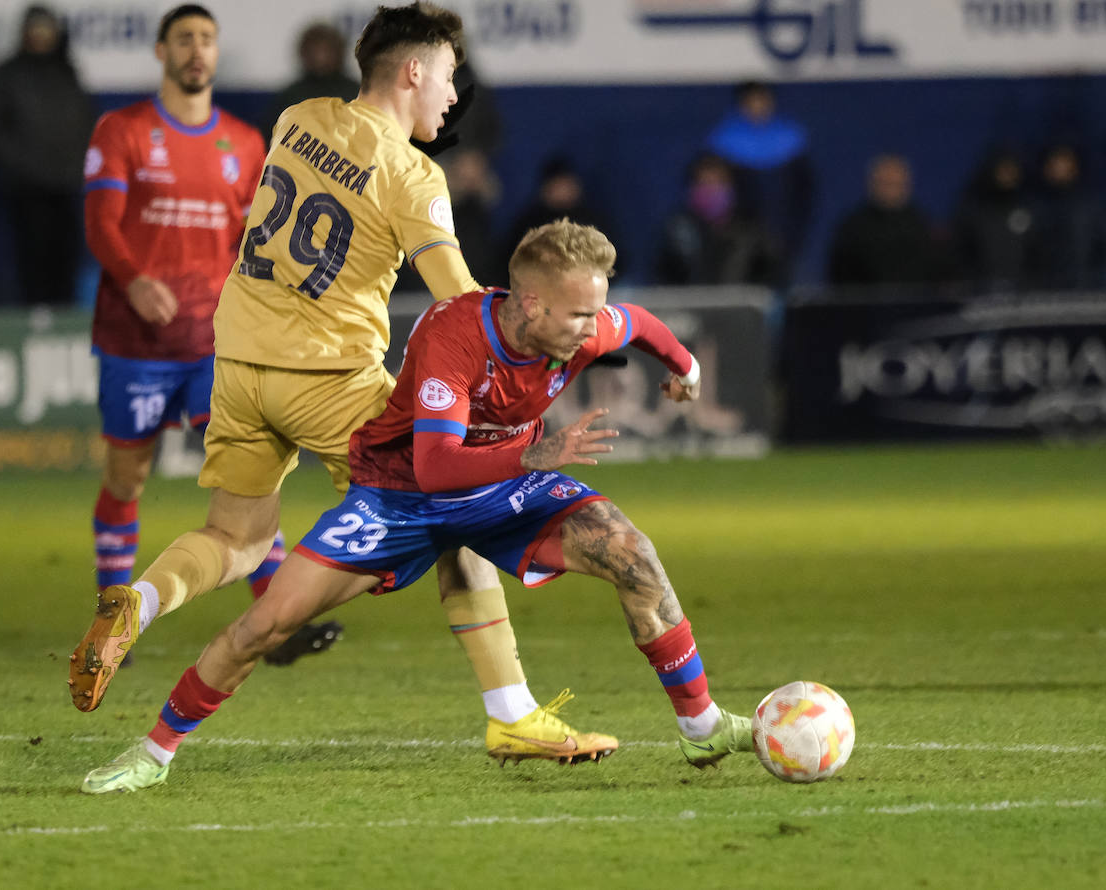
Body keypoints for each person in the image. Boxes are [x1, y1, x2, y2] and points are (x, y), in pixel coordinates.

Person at [68, 2, 614, 763]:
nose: (453, 98)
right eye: (450, 78)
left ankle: (141, 598)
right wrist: (537, 329)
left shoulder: (299, 118)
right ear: (414, 71)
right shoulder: (412, 175)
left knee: (236, 535)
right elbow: (460, 304)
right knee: (453, 502)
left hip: (238, 360)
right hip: (327, 376)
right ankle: (513, 712)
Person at [79, 219, 754, 793]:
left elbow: (637, 324)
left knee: (632, 553)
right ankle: (154, 751)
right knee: (266, 625)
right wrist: (532, 456)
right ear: (529, 304)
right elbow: (436, 467)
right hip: (402, 494)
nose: (591, 328)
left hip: (504, 486)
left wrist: (685, 370)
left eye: (593, 311)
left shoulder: (582, 324)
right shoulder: (453, 339)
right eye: (579, 314)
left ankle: (701, 726)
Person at [75, 4, 329, 687]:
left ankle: (275, 620)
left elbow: (261, 242)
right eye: (184, 38)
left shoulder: (246, 144)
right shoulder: (122, 131)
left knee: (250, 475)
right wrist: (133, 282)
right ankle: (110, 612)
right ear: (161, 51)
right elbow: (101, 225)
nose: (196, 50)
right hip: (136, 341)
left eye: (206, 40)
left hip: (216, 343)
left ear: (216, 55)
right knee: (128, 477)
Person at [0, 5, 96, 305]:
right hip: (26, 187)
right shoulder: (7, 76)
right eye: (36, 30)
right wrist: (21, 164)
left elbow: (84, 121)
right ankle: (34, 320)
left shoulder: (68, 73)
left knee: (66, 255)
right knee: (33, 257)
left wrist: (79, 162)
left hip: (66, 183)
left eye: (47, 30)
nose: (42, 37)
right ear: (24, 34)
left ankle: (63, 318)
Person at [704, 80, 815, 273]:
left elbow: (803, 193)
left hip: (783, 233)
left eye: (762, 99)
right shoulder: (723, 142)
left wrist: (791, 230)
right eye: (750, 101)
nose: (757, 106)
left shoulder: (791, 140)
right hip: (737, 235)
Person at [655, 152, 784, 286]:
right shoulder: (676, 234)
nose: (710, 191)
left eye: (717, 184)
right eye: (703, 184)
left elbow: (772, 286)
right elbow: (660, 285)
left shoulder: (755, 235)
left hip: (741, 306)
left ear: (733, 189)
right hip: (683, 306)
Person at [827, 154, 943, 294]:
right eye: (884, 183)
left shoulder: (924, 226)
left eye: (896, 183)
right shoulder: (852, 228)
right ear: (871, 184)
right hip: (864, 309)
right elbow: (840, 278)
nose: (890, 189)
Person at [1026, 143, 1106, 291]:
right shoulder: (1032, 206)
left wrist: (1094, 276)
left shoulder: (1091, 205)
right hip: (1042, 292)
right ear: (1044, 168)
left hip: (1084, 290)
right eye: (1054, 165)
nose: (1059, 170)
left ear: (1075, 167)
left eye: (1064, 164)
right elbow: (1023, 251)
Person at [255, 22, 360, 143]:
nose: (320, 56)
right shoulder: (290, 96)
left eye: (326, 49)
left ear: (340, 52)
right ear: (302, 53)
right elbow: (270, 141)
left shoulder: (358, 94)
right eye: (314, 50)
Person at [951, 147, 1031, 295]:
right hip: (980, 297)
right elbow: (961, 255)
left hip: (1022, 297)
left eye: (1012, 169)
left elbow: (1036, 256)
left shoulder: (1028, 209)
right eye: (1003, 169)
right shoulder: (973, 211)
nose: (1008, 174)